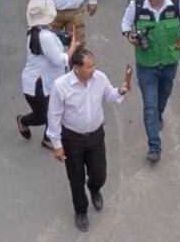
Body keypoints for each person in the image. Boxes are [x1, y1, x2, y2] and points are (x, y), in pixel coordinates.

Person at [120, 0, 180, 164]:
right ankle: (154, 147)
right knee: (149, 104)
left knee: (163, 95)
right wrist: (130, 35)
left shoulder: (175, 2)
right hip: (146, 64)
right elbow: (125, 24)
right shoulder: (137, 5)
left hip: (169, 62)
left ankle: (158, 114)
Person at [47, 47, 130, 231]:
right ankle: (81, 211)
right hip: (72, 139)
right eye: (89, 67)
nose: (93, 69)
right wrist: (57, 145)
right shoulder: (61, 86)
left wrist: (121, 91)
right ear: (76, 68)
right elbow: (54, 116)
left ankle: (94, 188)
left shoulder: (99, 78)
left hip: (96, 135)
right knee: (75, 178)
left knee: (100, 173)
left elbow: (109, 95)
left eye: (93, 65)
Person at [19, 0, 70, 148]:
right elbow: (59, 60)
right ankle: (23, 121)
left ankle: (48, 138)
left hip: (42, 83)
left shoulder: (37, 32)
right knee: (44, 115)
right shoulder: (45, 36)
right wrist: (72, 48)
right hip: (38, 85)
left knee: (54, 110)